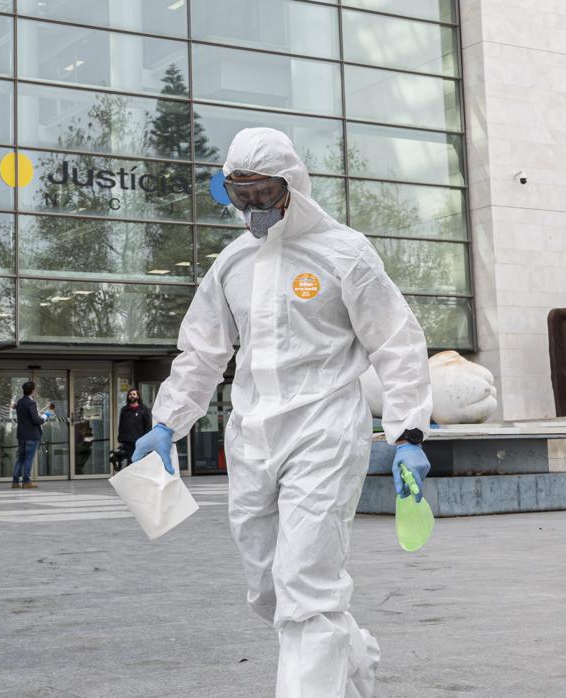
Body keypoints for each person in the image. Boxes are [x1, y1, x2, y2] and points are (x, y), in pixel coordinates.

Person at [132, 128, 434, 697]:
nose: (251, 208)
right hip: (250, 437)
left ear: (291, 186)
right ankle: (352, 654)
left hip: (324, 431)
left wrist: (408, 431)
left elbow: (396, 341)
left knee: (306, 585)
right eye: (237, 196)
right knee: (267, 589)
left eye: (262, 194)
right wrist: (167, 422)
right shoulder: (231, 264)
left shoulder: (345, 252)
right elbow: (201, 351)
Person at [11, 381, 52, 489]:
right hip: (31, 436)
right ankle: (26, 481)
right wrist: (45, 416)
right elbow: (36, 420)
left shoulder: (19, 402)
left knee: (20, 458)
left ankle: (15, 481)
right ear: (33, 391)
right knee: (28, 458)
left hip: (21, 435)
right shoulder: (31, 403)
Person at [115, 387, 151, 470]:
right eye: (130, 394)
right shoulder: (124, 410)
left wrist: (146, 440)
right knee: (130, 461)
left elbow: (148, 426)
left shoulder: (144, 410)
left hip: (140, 441)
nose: (132, 396)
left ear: (138, 396)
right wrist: (120, 440)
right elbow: (121, 425)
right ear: (128, 397)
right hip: (127, 441)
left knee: (139, 461)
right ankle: (131, 480)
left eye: (134, 394)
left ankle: (139, 480)